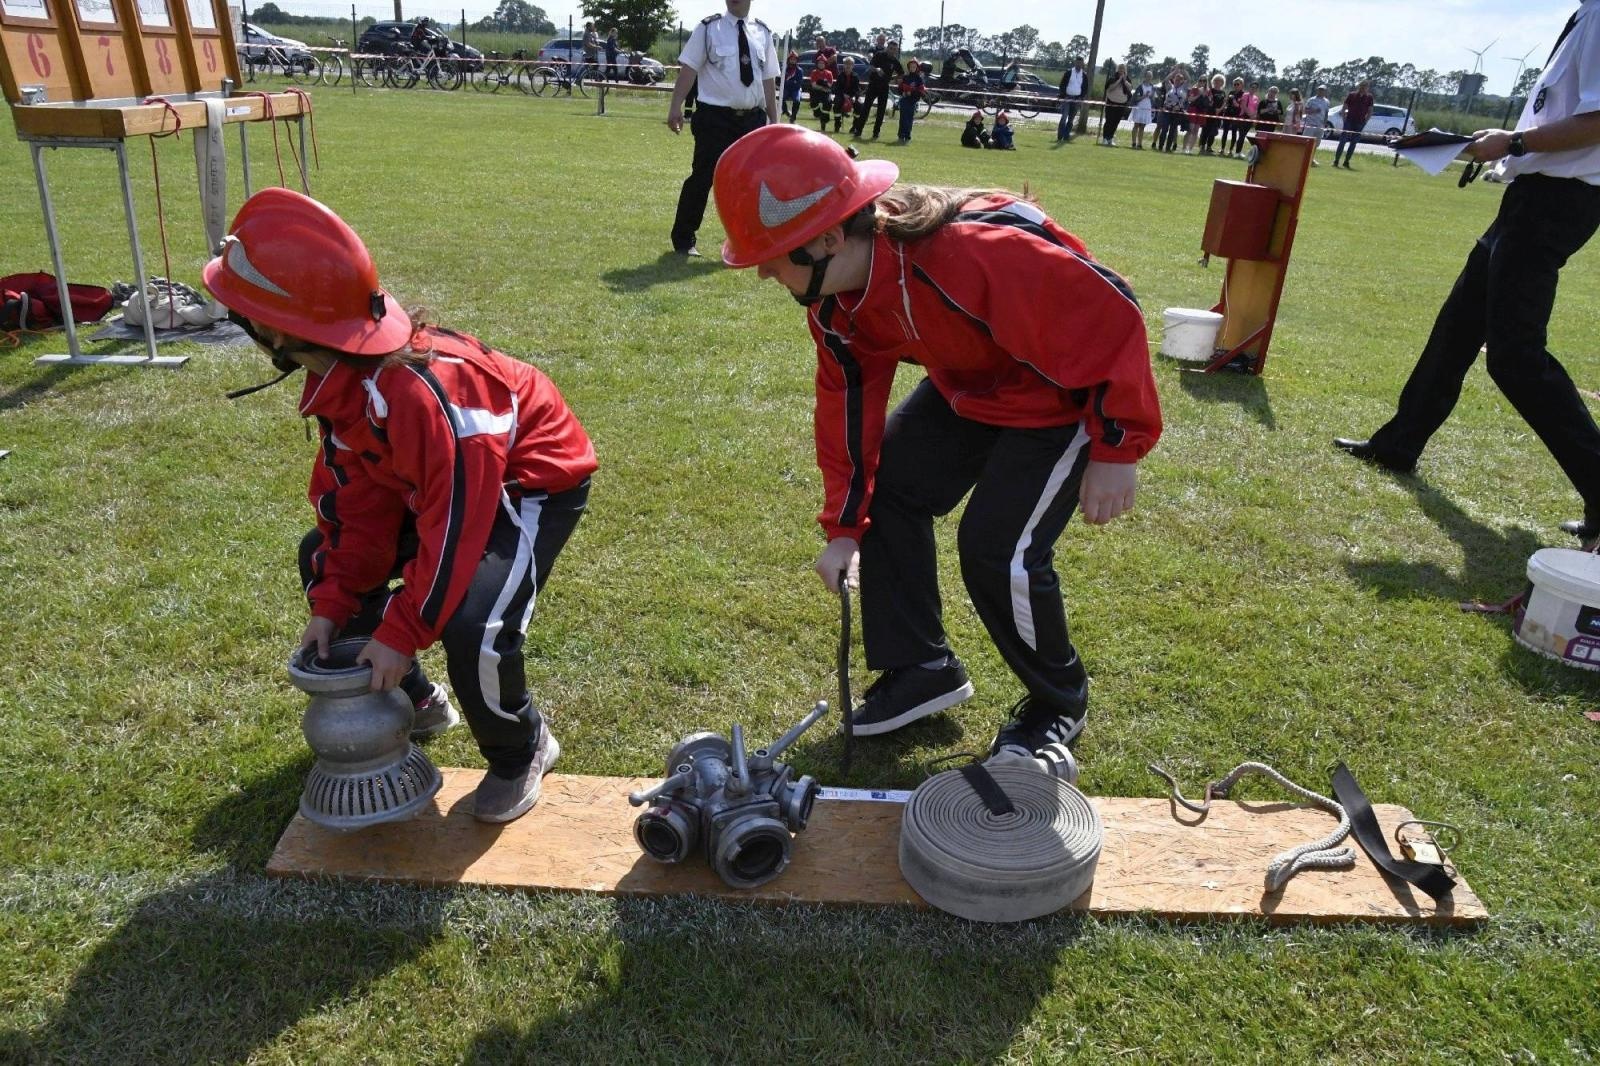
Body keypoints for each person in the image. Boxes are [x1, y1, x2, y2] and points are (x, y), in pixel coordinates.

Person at [710, 124, 1161, 753]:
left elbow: (1112, 311)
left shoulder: (972, 251)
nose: (762, 275)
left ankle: (1060, 703)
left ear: (831, 238)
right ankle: (923, 670)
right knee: (890, 483)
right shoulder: (835, 303)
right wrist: (844, 527)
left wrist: (1118, 445)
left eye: (774, 256)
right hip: (974, 389)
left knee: (996, 549)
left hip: (1061, 396)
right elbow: (848, 405)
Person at [204, 188, 597, 823]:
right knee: (322, 560)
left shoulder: (425, 395)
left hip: (526, 485)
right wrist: (334, 605)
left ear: (275, 328)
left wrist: (401, 629)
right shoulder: (340, 382)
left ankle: (520, 747)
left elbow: (456, 527)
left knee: (476, 623)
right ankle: (414, 701)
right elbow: (361, 507)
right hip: (445, 487)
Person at [1334, 2, 1600, 544]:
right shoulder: (1586, 16)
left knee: (1515, 358)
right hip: (1535, 195)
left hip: (1556, 199)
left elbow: (1598, 122)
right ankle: (1399, 443)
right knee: (1458, 326)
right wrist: (1507, 141)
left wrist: (1516, 142)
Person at [666, 0, 779, 257]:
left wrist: (775, 120)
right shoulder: (708, 28)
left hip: (752, 120)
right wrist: (675, 106)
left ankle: (747, 242)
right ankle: (684, 240)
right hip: (714, 119)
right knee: (703, 177)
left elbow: (768, 80)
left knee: (750, 184)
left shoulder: (763, 32)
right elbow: (688, 70)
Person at [854, 37, 902, 139]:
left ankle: (876, 133)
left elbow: (901, 74)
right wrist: (877, 69)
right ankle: (858, 130)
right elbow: (870, 67)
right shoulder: (879, 55)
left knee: (881, 111)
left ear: (896, 50)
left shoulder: (895, 61)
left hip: (884, 87)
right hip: (873, 85)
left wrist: (891, 78)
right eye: (891, 48)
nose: (892, 50)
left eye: (894, 49)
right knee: (866, 108)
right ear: (887, 47)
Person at [1333, 79, 1373, 168]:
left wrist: (1365, 122)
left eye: (1365, 86)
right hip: (1349, 121)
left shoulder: (1369, 97)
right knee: (1342, 141)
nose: (1363, 87)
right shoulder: (1352, 95)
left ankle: (1346, 162)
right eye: (1362, 85)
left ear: (1368, 88)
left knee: (1353, 143)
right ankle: (1336, 161)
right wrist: (1344, 118)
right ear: (1359, 86)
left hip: (1360, 122)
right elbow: (1344, 107)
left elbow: (1370, 111)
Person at [895, 59, 926, 144]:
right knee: (903, 118)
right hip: (904, 100)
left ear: (917, 68)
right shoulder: (905, 77)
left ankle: (907, 135)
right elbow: (899, 89)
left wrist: (912, 92)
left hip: (912, 102)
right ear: (908, 67)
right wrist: (904, 92)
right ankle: (901, 135)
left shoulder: (918, 79)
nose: (912, 68)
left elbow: (921, 91)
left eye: (914, 67)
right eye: (911, 66)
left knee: (909, 119)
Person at [1158, 68, 1188, 152]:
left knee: (1172, 130)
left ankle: (1168, 148)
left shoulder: (1183, 88)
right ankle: (1160, 146)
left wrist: (1183, 69)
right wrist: (1175, 71)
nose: (1177, 81)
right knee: (1164, 129)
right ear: (1174, 79)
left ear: (1182, 81)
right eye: (1176, 79)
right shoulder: (1169, 87)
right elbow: (1166, 79)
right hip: (1167, 111)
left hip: (1177, 113)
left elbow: (1188, 79)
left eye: (1179, 80)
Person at [1102, 63, 1133, 145]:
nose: (1121, 70)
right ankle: (1105, 138)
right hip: (1111, 103)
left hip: (1121, 104)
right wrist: (1119, 80)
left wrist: (1124, 80)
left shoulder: (1127, 79)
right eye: (1120, 68)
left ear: (1125, 70)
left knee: (1116, 121)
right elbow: (1110, 88)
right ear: (1117, 69)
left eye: (1123, 69)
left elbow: (1130, 88)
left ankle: (1110, 138)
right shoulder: (1112, 78)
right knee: (1109, 121)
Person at [1057, 57, 1087, 141]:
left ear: (1082, 64)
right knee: (1064, 117)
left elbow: (1085, 88)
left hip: (1077, 99)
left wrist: (1081, 98)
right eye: (1077, 63)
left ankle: (1066, 137)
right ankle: (1060, 136)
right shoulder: (1068, 72)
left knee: (1071, 118)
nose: (1079, 65)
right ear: (1075, 63)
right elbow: (1062, 85)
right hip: (1067, 98)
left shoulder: (1084, 75)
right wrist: (1063, 95)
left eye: (1080, 63)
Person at [832, 55, 862, 133]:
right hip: (842, 95)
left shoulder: (856, 76)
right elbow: (837, 89)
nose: (848, 66)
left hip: (852, 96)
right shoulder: (840, 76)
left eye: (850, 64)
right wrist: (843, 95)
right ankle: (837, 125)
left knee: (859, 104)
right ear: (844, 65)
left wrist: (854, 96)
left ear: (853, 66)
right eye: (846, 64)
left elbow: (857, 89)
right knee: (837, 102)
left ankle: (855, 126)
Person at [1304, 84, 1332, 165]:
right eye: (1320, 89)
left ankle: (1311, 159)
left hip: (1320, 126)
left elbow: (1326, 113)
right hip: (1310, 124)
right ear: (1317, 90)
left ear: (1325, 92)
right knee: (1307, 142)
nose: (1321, 91)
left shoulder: (1327, 101)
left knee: (1316, 144)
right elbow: (1306, 111)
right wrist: (1314, 111)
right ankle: (1304, 158)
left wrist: (1324, 123)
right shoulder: (1311, 100)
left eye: (1323, 90)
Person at [809, 55, 836, 130]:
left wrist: (822, 85)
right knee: (813, 103)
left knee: (827, 103)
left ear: (825, 64)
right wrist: (822, 87)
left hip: (826, 93)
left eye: (822, 63)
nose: (821, 64)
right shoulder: (814, 72)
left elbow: (830, 85)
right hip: (816, 92)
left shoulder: (829, 73)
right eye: (819, 63)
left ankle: (824, 121)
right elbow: (813, 85)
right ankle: (818, 114)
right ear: (817, 64)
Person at [1130, 73, 1155, 149]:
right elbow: (1135, 98)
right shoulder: (1140, 87)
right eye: (1147, 76)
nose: (1149, 78)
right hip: (1139, 107)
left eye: (1150, 76)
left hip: (1147, 107)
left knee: (1142, 126)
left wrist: (1151, 96)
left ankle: (1139, 143)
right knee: (1136, 125)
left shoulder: (1153, 87)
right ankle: (1134, 143)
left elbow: (1153, 98)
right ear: (1145, 77)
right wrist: (1144, 96)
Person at [781, 50, 804, 122]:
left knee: (797, 101)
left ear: (797, 60)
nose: (793, 61)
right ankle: (785, 111)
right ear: (789, 60)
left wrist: (790, 83)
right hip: (786, 89)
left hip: (795, 89)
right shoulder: (785, 69)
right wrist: (790, 83)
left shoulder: (799, 70)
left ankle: (793, 116)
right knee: (781, 98)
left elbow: (798, 83)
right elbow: (782, 81)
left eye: (794, 59)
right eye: (791, 59)